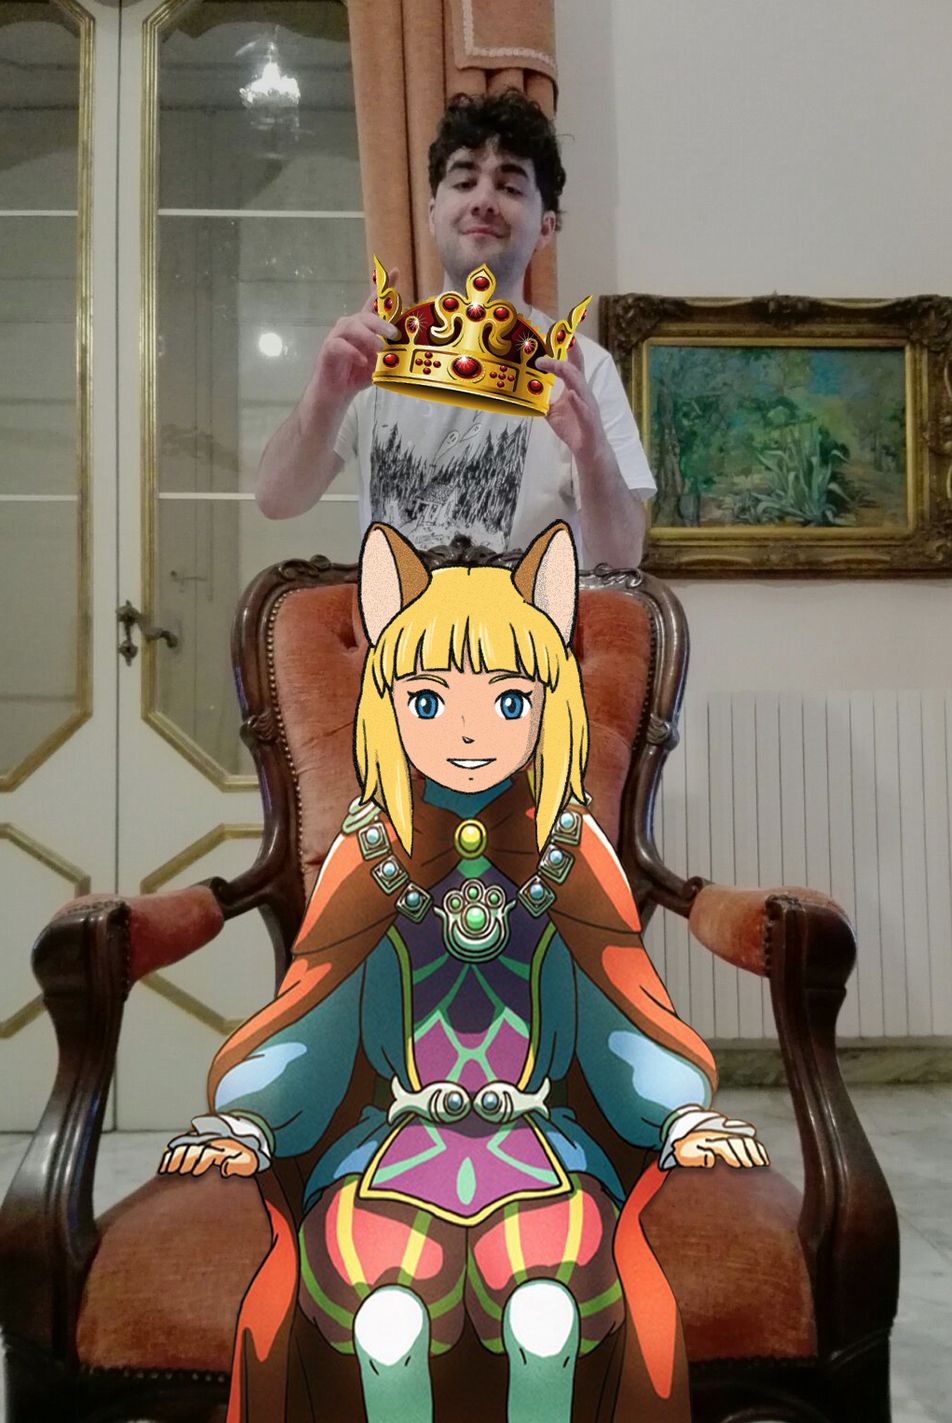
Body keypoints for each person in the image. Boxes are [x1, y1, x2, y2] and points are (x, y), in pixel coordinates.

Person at [159, 520, 769, 1423]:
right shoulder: (368, 852)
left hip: (542, 1144)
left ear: (550, 701)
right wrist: (251, 1115)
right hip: (392, 1145)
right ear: (389, 702)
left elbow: (615, 1012)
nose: (471, 730)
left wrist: (678, 1111)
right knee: (386, 1320)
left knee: (548, 1313)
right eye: (430, 700)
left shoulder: (574, 850)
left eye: (510, 699)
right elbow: (318, 1014)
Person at [255, 90, 656, 567]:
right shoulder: (372, 353)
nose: (484, 201)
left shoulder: (583, 370)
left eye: (510, 188)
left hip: (526, 618)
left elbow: (623, 558)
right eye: (465, 182)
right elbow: (277, 500)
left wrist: (592, 455)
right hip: (395, 617)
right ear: (431, 213)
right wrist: (325, 396)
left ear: (546, 227)